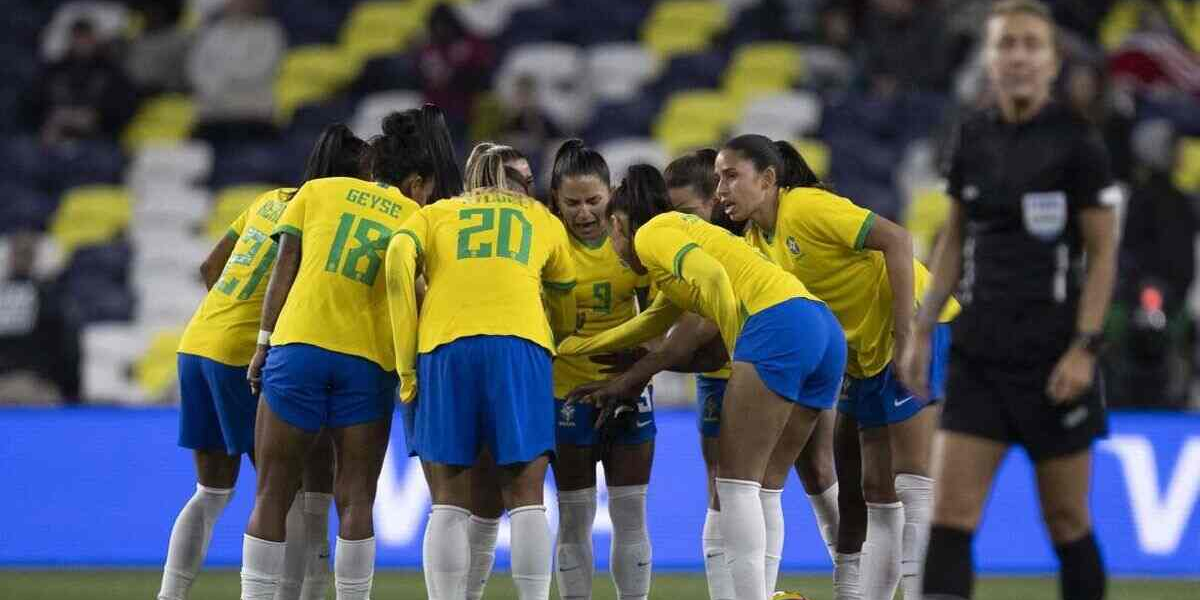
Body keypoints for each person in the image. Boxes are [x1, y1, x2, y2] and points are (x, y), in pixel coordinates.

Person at [901, 3, 1119, 600]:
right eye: (1006, 45)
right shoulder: (972, 135)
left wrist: (1084, 348)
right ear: (991, 59)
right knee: (950, 519)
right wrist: (922, 330)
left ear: (1051, 61)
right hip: (981, 356)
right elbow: (953, 239)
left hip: (1055, 361)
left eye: (1030, 45)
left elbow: (1103, 254)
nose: (1018, 56)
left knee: (1067, 522)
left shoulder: (1078, 143)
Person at [561, 150, 841, 600]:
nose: (613, 251)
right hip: (820, 326)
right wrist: (578, 346)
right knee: (765, 483)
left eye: (612, 237)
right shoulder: (675, 242)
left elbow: (711, 278)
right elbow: (652, 323)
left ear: (618, 225)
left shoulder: (653, 234)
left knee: (734, 485)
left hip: (775, 326)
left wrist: (738, 344)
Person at [716, 135, 959, 600]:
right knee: (872, 492)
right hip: (864, 357)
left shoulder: (805, 208)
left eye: (731, 176)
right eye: (717, 179)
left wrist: (909, 333)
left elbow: (897, 238)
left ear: (767, 180)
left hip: (915, 329)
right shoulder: (753, 241)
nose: (721, 190)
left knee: (912, 482)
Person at [240, 106, 462, 600]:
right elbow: (423, 292)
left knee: (273, 493)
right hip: (368, 362)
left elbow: (285, 267)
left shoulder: (317, 192)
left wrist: (262, 343)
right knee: (357, 498)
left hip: (299, 347)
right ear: (416, 180)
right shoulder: (416, 215)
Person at [163, 123, 366, 600]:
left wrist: (229, 317)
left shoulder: (270, 198)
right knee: (284, 490)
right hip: (242, 354)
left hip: (197, 342)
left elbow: (210, 267)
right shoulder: (327, 216)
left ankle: (169, 596)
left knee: (211, 493)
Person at [385, 164, 577, 600]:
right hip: (521, 342)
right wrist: (554, 339)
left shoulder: (436, 213)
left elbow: (397, 257)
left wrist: (406, 362)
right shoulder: (541, 217)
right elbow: (567, 297)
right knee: (527, 495)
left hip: (444, 344)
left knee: (449, 499)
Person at [538, 140, 655, 600]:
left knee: (630, 515)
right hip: (567, 392)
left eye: (594, 201)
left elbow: (661, 317)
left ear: (613, 194)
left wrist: (641, 364)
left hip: (629, 391)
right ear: (555, 201)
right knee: (574, 517)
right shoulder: (547, 243)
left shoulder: (635, 240)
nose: (584, 213)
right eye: (572, 203)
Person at [448, 141, 537, 600]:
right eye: (518, 179)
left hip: (459, 358)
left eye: (530, 178)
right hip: (521, 361)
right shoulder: (540, 223)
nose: (528, 188)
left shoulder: (438, 216)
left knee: (470, 502)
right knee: (512, 497)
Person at [186, 0, 284, 145]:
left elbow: (260, 69)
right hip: (211, 115)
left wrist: (224, 80)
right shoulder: (212, 32)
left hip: (253, 115)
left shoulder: (269, 31)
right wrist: (213, 87)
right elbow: (196, 67)